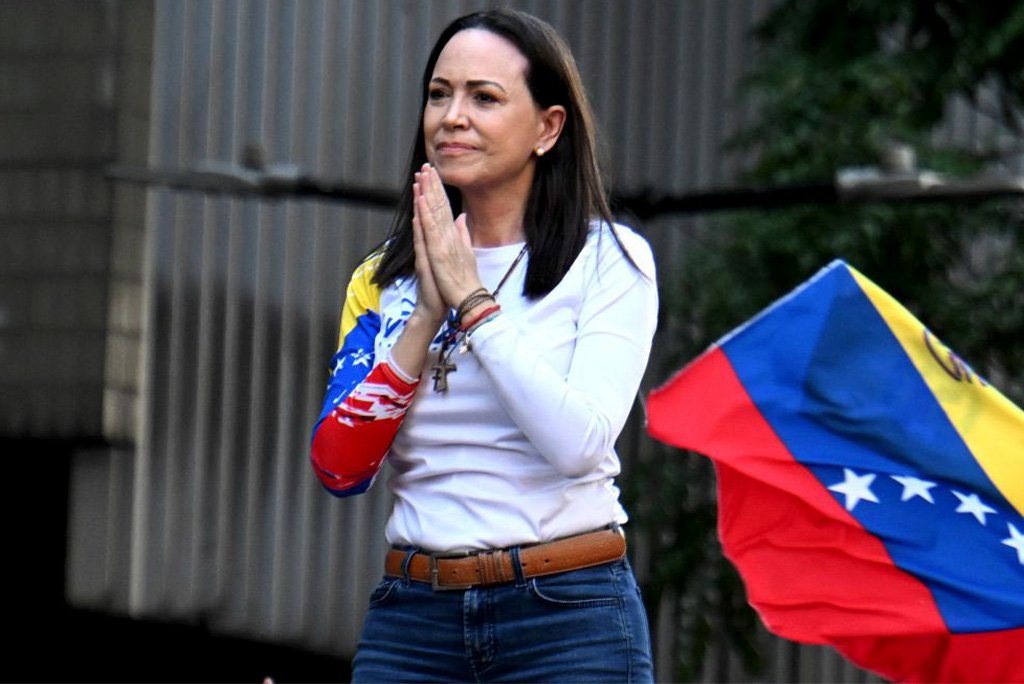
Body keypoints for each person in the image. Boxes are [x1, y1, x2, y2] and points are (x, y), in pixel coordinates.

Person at [310, 8, 658, 682]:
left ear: (548, 128)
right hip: (413, 620)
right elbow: (339, 469)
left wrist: (473, 304)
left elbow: (579, 443)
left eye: (484, 97)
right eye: (439, 94)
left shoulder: (610, 260)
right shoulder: (382, 279)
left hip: (567, 615)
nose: (452, 116)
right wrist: (424, 319)